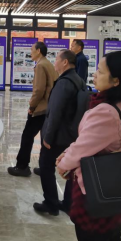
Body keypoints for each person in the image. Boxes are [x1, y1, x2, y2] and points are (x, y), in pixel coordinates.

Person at [56, 51, 121, 241]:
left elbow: (83, 147)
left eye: (100, 72)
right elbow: (93, 141)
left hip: (97, 196)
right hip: (116, 193)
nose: (94, 75)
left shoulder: (105, 111)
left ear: (116, 81)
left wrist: (63, 163)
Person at [34, 49, 86, 216]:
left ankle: (51, 204)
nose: (54, 62)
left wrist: (48, 137)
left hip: (58, 135)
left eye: (56, 59)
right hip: (72, 133)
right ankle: (68, 203)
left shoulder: (64, 83)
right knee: (70, 169)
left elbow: (55, 112)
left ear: (65, 62)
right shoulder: (78, 80)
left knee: (45, 165)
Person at [8, 41, 58, 177]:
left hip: (40, 108)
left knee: (27, 136)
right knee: (44, 138)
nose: (30, 52)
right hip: (48, 106)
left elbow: (39, 90)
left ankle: (22, 166)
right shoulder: (48, 64)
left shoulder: (41, 65)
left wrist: (32, 106)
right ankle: (45, 167)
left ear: (38, 51)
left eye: (32, 50)